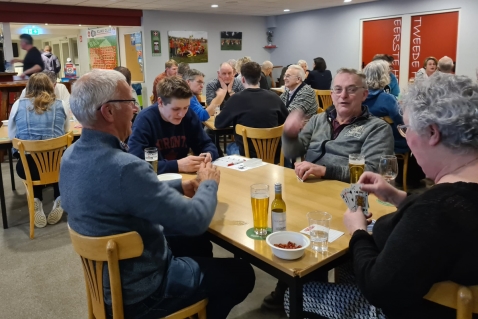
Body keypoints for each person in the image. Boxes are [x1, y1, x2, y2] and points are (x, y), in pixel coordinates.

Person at [60, 69, 255, 319]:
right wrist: (208, 184)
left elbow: (120, 196)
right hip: (146, 291)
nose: (134, 109)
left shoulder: (70, 156)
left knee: (195, 246)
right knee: (241, 273)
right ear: (108, 111)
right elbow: (195, 220)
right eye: (129, 102)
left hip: (106, 282)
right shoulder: (125, 167)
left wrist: (179, 186)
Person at [286, 72, 478, 319]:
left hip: (407, 309)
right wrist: (401, 198)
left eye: (407, 128)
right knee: (347, 267)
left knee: (295, 295)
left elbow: (378, 288)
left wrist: (358, 231)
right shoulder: (454, 196)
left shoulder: (435, 211)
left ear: (432, 133)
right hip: (431, 287)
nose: (405, 137)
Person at [282, 68, 394, 183]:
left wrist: (324, 171)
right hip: (310, 184)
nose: (343, 95)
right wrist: (290, 136)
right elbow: (293, 153)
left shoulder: (378, 128)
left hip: (348, 191)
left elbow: (372, 171)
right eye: (338, 89)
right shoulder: (317, 120)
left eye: (351, 90)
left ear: (364, 95)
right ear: (332, 95)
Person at [8, 73, 68, 228]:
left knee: (27, 158)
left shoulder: (17, 105)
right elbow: (67, 131)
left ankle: (36, 199)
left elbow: (12, 136)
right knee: (59, 156)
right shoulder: (61, 104)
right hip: (57, 167)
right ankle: (59, 196)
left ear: (28, 87)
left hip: (28, 169)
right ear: (51, 86)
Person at [128, 76, 219, 174]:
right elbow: (135, 164)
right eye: (176, 109)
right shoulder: (145, 120)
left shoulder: (189, 115)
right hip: (155, 180)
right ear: (160, 102)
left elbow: (206, 144)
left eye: (186, 107)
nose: (182, 114)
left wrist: (208, 154)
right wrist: (177, 165)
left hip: (183, 177)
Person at [215, 62, 288, 157]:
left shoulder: (235, 99)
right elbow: (287, 121)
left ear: (242, 79)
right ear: (260, 78)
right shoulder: (275, 97)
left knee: (230, 147)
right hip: (274, 155)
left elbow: (219, 124)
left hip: (246, 155)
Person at [362, 60, 408, 154]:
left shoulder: (358, 97)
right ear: (383, 76)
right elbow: (401, 122)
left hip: (363, 141)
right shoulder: (387, 99)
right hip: (389, 142)